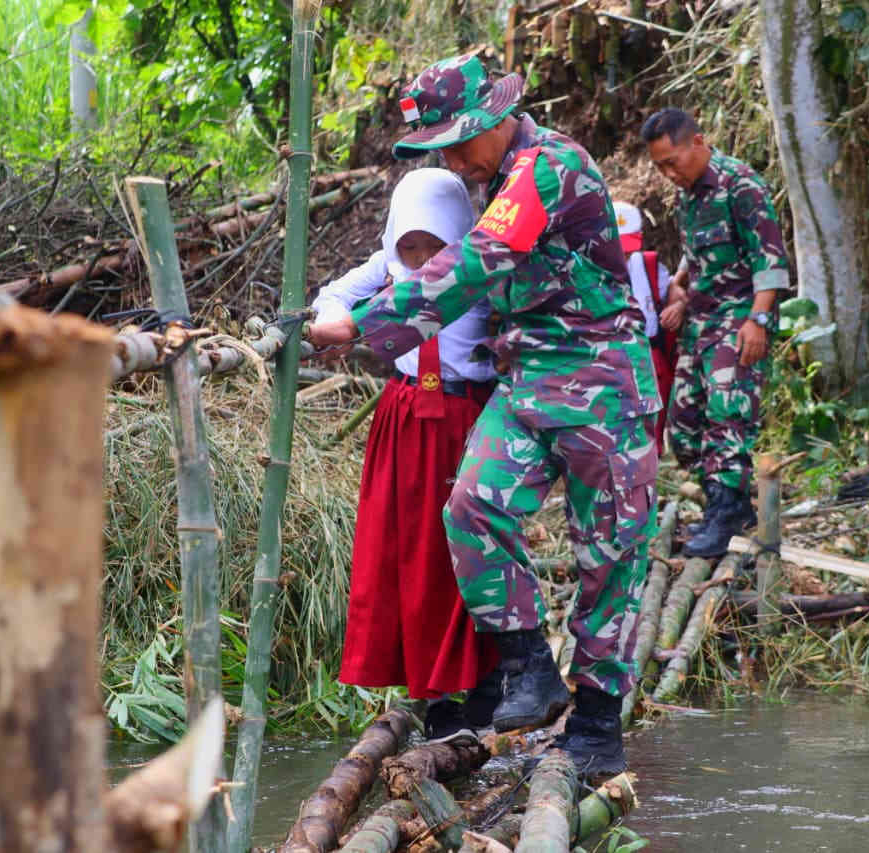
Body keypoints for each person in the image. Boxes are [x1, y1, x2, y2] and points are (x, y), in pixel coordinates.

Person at [307, 54, 660, 777]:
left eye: (459, 139)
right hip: (529, 379)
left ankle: (597, 722)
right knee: (470, 505)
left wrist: (369, 324)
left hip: (601, 381)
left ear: (499, 119)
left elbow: (479, 259)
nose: (454, 158)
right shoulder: (499, 177)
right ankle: (529, 663)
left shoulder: (547, 166)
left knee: (609, 554)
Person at [310, 168, 500, 740]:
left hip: (469, 422)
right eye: (409, 245)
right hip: (407, 421)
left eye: (433, 245)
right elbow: (335, 297)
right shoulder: (387, 268)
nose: (420, 260)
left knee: (467, 551)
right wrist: (328, 321)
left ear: (456, 235)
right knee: (413, 554)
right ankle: (434, 692)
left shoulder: (480, 269)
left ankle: (486, 677)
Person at [642, 107, 791, 558]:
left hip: (739, 318)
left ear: (699, 143)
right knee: (684, 427)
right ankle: (727, 504)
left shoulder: (740, 185)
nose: (669, 174)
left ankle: (725, 515)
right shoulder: (690, 196)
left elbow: (770, 259)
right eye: (660, 167)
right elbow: (698, 250)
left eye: (673, 161)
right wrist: (680, 287)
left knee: (728, 415)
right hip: (702, 320)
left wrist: (758, 321)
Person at [612, 200, 678, 450]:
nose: (624, 255)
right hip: (611, 359)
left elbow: (675, 291)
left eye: (628, 248)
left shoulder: (648, 265)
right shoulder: (585, 267)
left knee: (652, 426)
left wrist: (677, 307)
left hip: (649, 355)